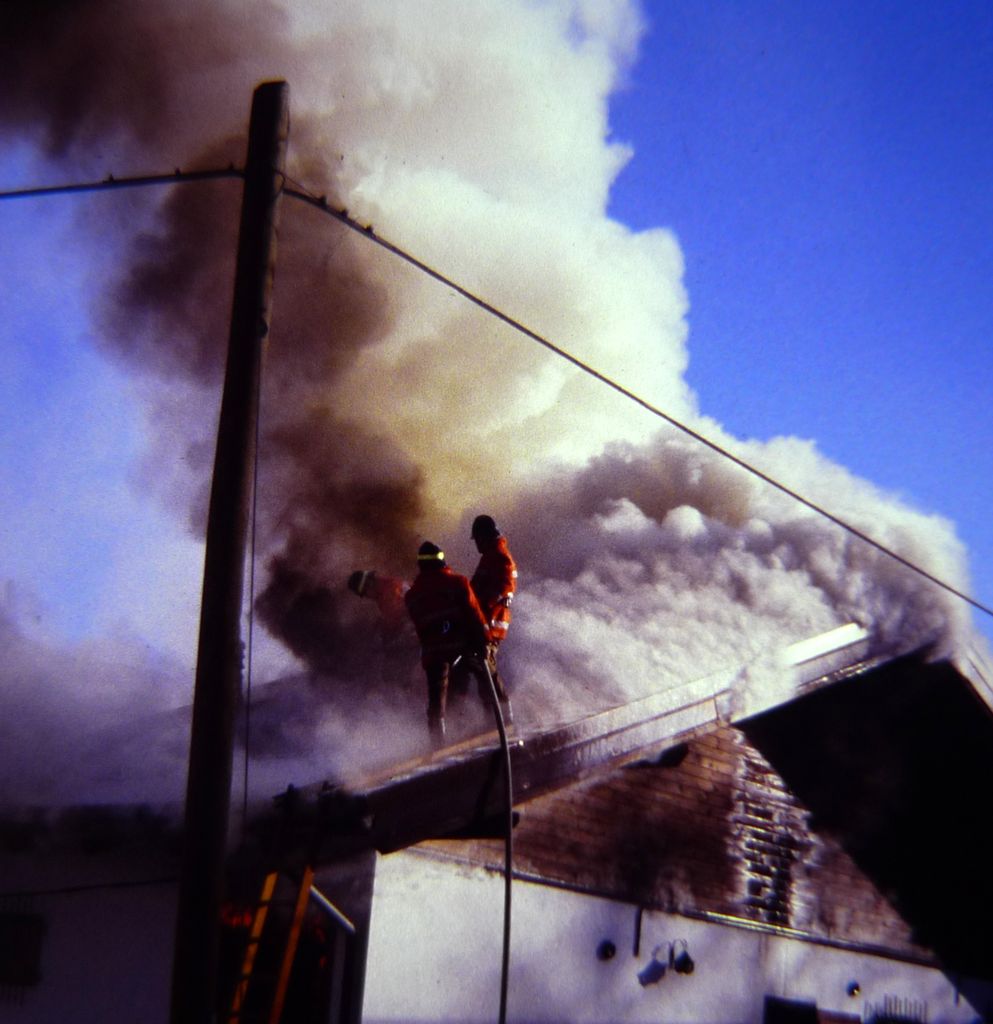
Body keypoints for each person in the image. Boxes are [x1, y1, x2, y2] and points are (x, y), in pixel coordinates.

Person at [403, 541, 490, 742]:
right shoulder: (458, 583)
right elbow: (475, 616)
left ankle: (438, 742)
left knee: (437, 700)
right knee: (468, 687)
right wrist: (483, 642)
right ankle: (480, 726)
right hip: (460, 648)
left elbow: (419, 623)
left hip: (433, 653)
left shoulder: (412, 596)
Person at [469, 514, 517, 712]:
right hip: (484, 623)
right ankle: (493, 717)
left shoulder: (499, 556)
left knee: (488, 670)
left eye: (478, 539)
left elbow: (504, 587)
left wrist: (481, 606)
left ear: (485, 536)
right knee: (483, 672)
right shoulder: (490, 557)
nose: (476, 545)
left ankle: (504, 718)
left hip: (490, 625)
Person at [347, 570, 417, 691]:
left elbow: (400, 616)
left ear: (368, 584)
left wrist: (388, 640)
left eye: (364, 593)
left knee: (397, 668)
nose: (366, 597)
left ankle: (406, 695)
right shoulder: (386, 586)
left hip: (418, 630)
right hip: (415, 627)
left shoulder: (388, 590)